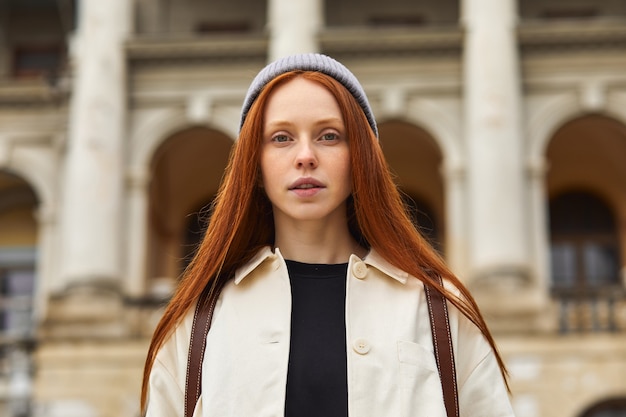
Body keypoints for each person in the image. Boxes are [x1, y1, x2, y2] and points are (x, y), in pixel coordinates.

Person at [141, 53, 514, 417]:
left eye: (329, 136)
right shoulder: (199, 320)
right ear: (254, 165)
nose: (305, 156)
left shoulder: (438, 307)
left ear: (361, 158)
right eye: (282, 138)